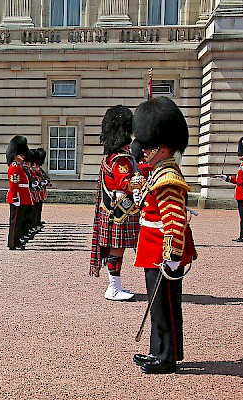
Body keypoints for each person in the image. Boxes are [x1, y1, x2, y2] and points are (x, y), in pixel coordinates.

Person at [132, 96, 197, 374]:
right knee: (157, 305)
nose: (144, 150)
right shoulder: (157, 174)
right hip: (152, 247)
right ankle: (158, 350)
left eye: (149, 146)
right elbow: (142, 208)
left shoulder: (168, 178)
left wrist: (171, 256)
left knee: (165, 305)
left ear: (162, 147)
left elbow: (174, 221)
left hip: (162, 250)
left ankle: (167, 356)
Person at [89, 106, 139, 301]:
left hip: (115, 208)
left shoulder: (112, 156)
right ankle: (113, 287)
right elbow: (125, 183)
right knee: (117, 248)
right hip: (122, 209)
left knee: (116, 248)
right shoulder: (121, 159)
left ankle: (115, 286)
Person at [216, 136, 243, 242]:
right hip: (239, 193)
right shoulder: (242, 166)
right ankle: (242, 235)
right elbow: (237, 180)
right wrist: (226, 178)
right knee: (242, 217)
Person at [6, 136, 32, 250]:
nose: (23, 157)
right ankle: (13, 243)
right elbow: (14, 184)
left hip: (22, 196)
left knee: (19, 221)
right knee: (15, 222)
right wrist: (16, 197)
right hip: (18, 197)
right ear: (16, 155)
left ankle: (16, 241)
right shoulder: (15, 167)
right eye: (21, 155)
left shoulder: (19, 167)